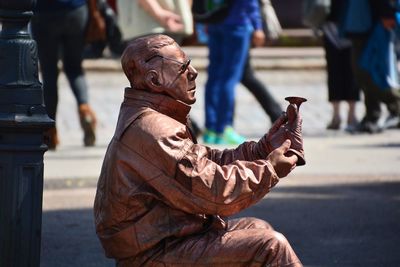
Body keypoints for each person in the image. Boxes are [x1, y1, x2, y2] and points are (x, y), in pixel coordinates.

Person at [94, 34, 304, 266]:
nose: (193, 72)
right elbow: (213, 192)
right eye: (183, 67)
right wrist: (269, 169)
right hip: (152, 252)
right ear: (155, 81)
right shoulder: (154, 129)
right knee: (271, 246)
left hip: (168, 237)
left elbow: (203, 163)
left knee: (258, 227)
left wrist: (262, 149)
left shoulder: (152, 117)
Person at [31, 0, 103, 149]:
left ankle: (50, 131)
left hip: (45, 13)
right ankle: (85, 109)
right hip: (76, 10)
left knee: (49, 73)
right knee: (75, 68)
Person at [203, 0, 265, 145]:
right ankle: (224, 128)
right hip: (237, 23)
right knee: (229, 78)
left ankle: (210, 130)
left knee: (214, 77)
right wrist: (257, 26)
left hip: (215, 22)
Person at [342, 0, 400, 133]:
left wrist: (387, 14)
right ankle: (371, 116)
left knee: (368, 72)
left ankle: (396, 105)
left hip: (372, 23)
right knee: (363, 74)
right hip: (358, 23)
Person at [322, 0, 360, 131]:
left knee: (345, 71)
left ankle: (346, 114)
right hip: (340, 23)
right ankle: (342, 115)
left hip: (349, 22)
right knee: (344, 70)